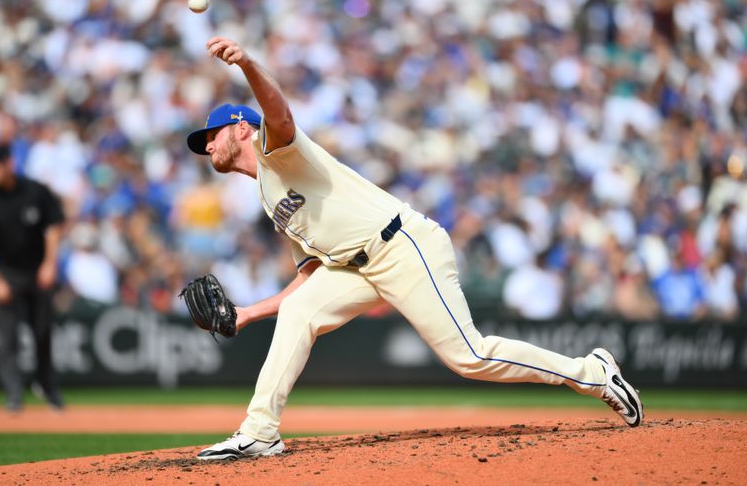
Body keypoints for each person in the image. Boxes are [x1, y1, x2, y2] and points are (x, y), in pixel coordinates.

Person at [188, 37, 644, 461]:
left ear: (241, 128)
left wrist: (246, 63)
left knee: (471, 357)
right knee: (297, 313)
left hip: (401, 244)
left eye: (211, 135)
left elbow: (281, 115)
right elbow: (310, 276)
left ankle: (594, 373)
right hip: (354, 267)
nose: (206, 146)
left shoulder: (277, 151)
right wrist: (250, 313)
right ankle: (260, 431)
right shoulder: (268, 198)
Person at [0, 139, 65, 412]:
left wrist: (49, 263)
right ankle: (13, 394)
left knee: (43, 332)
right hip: (7, 274)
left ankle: (47, 386)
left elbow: (52, 227)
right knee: (7, 337)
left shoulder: (35, 191)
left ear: (9, 163)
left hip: (37, 272)